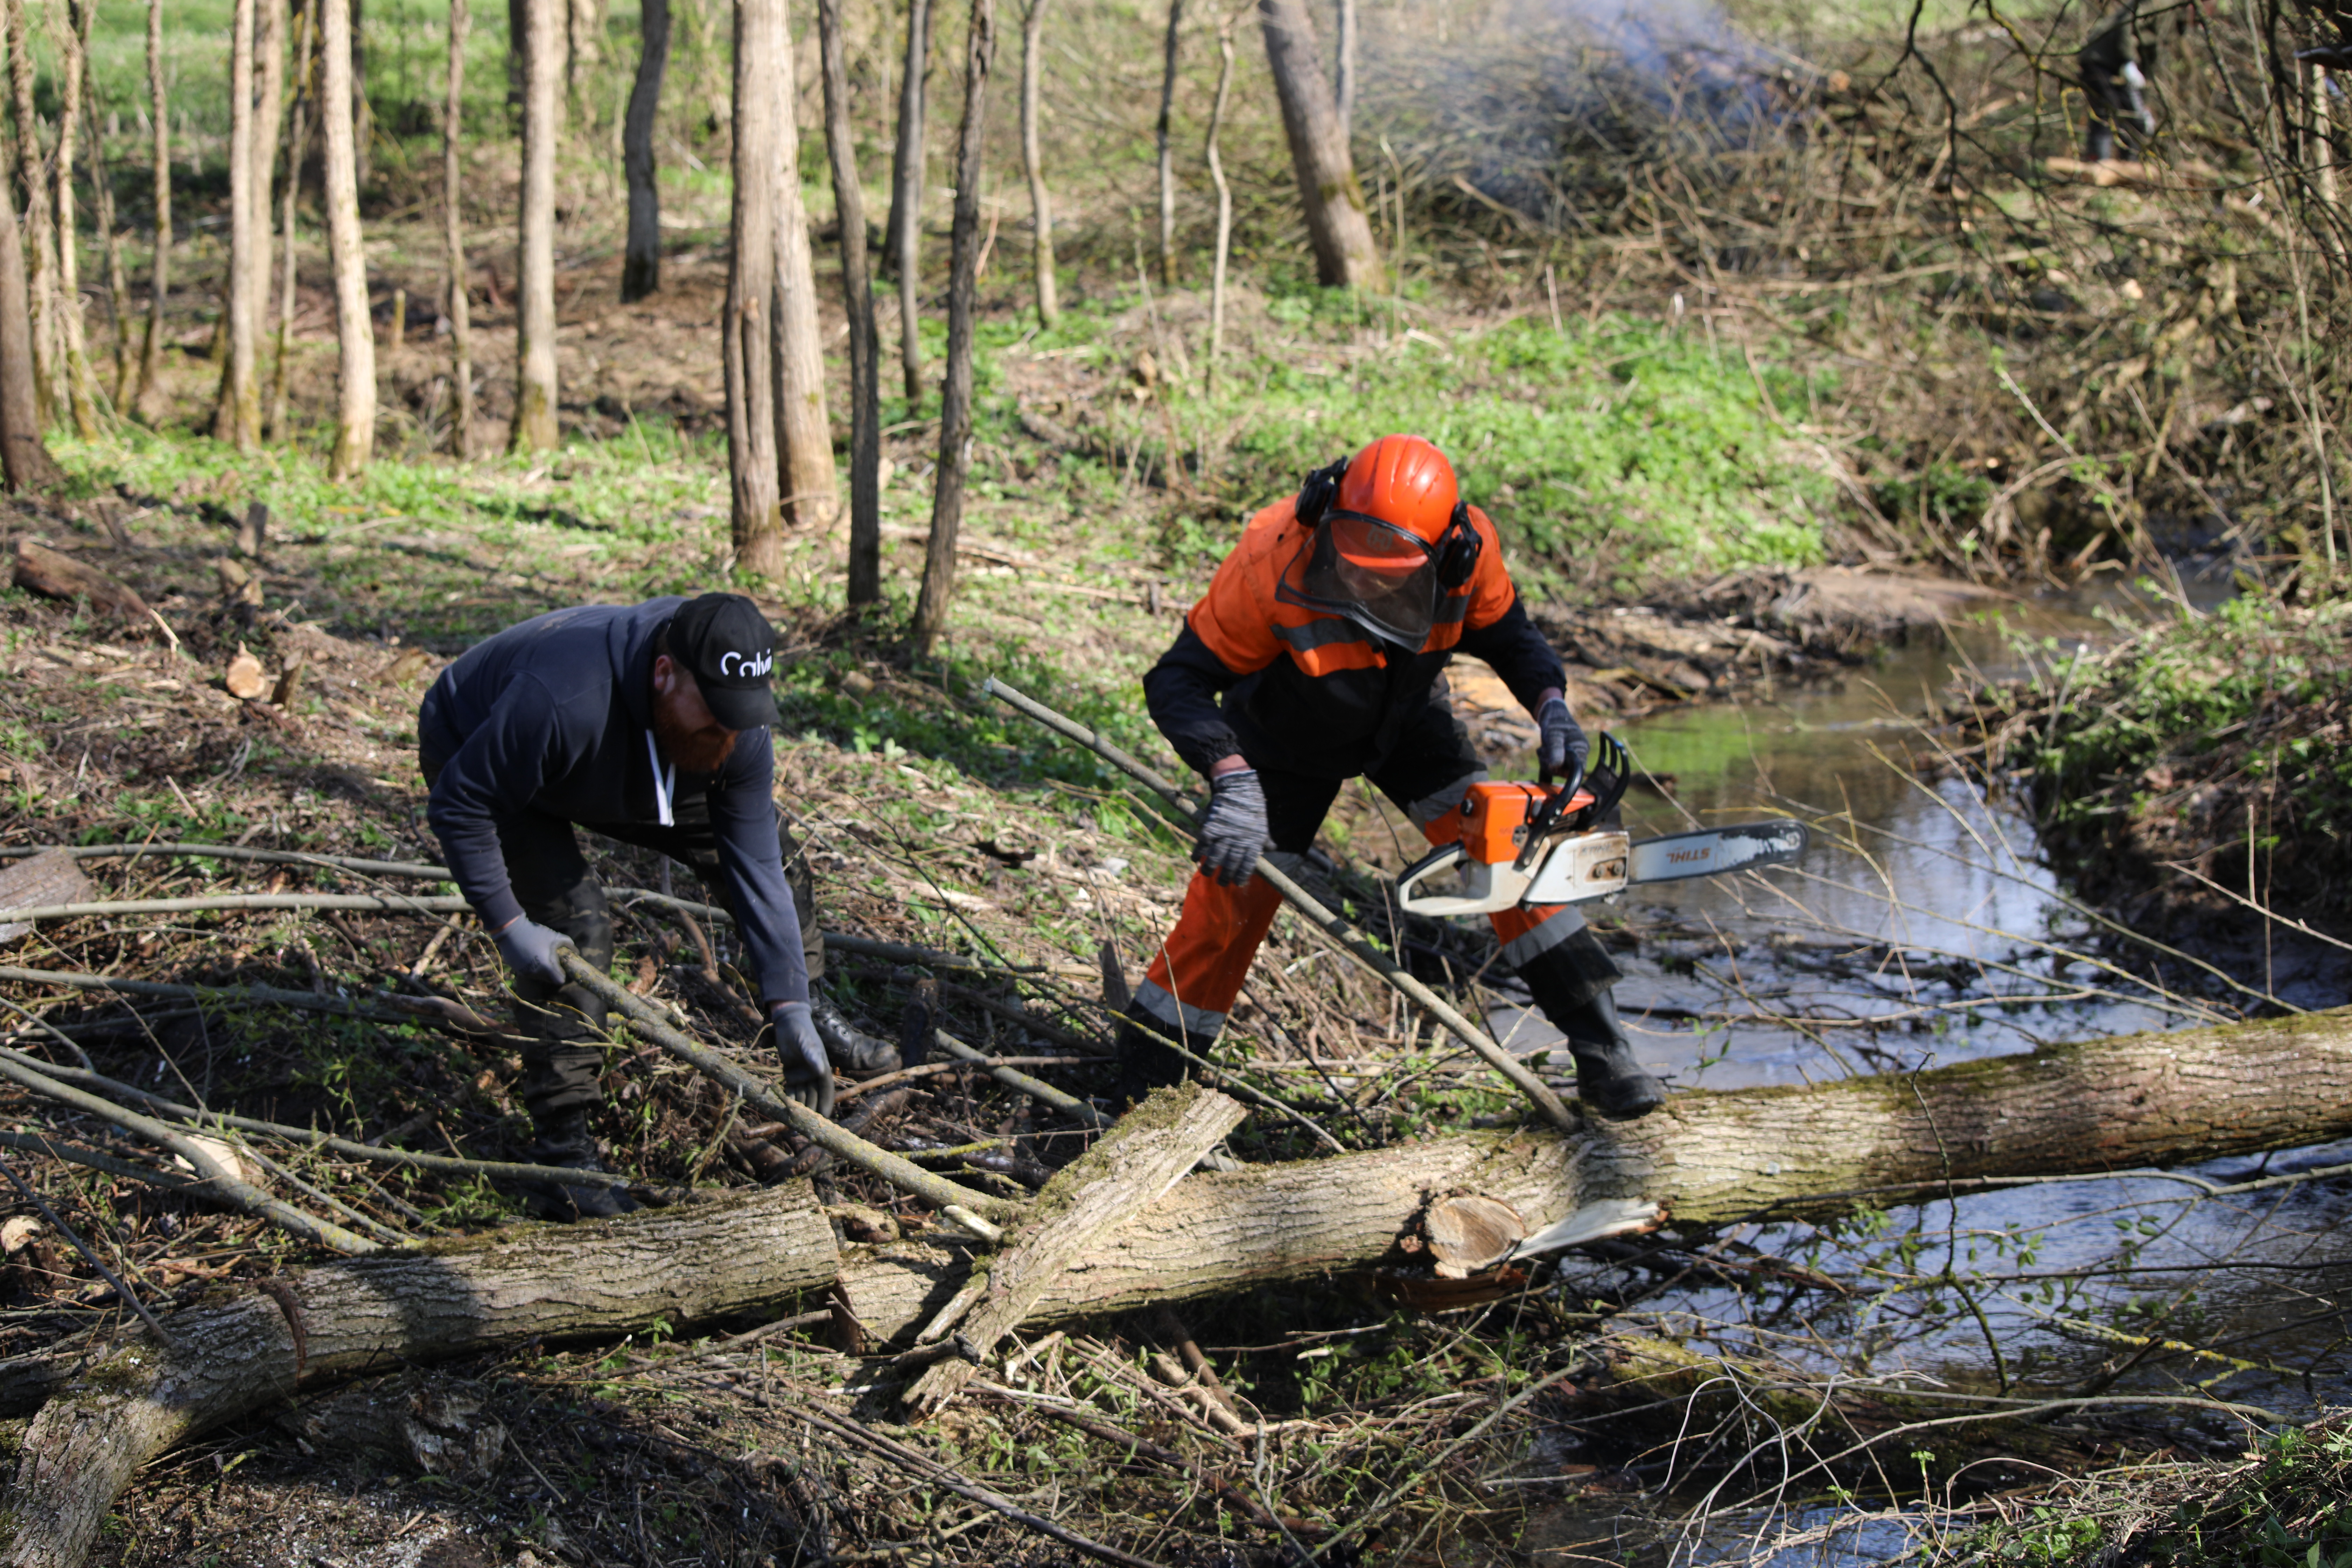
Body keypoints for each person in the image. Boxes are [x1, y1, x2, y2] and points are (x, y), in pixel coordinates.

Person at [1113, 434, 1667, 1121]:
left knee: (1509, 856)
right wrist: (1231, 776)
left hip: (1406, 721)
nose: (1360, 582)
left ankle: (1606, 1053)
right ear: (1329, 512)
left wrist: (1551, 706)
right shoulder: (1271, 552)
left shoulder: (1472, 554)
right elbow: (1179, 679)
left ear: (1445, 554)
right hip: (1282, 733)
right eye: (1350, 564)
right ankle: (1141, 1085)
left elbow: (1510, 635)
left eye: (1385, 575)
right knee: (1225, 911)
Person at [419, 592, 895, 1220]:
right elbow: (462, 803)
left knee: (776, 855)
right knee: (575, 926)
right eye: (718, 711)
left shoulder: (729, 730)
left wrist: (791, 1001)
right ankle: (562, 1153)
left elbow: (754, 867)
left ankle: (813, 1016)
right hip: (486, 748)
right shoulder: (560, 698)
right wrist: (509, 925)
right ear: (665, 674)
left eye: (741, 714)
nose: (730, 728)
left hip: (648, 756)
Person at [2079, 5, 2154, 163]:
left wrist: (2146, 104)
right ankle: (2099, 162)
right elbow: (2127, 24)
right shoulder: (2161, 4)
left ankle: (2129, 163)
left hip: (2114, 65)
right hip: (2101, 61)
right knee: (2106, 111)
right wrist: (2128, 61)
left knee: (2128, 114)